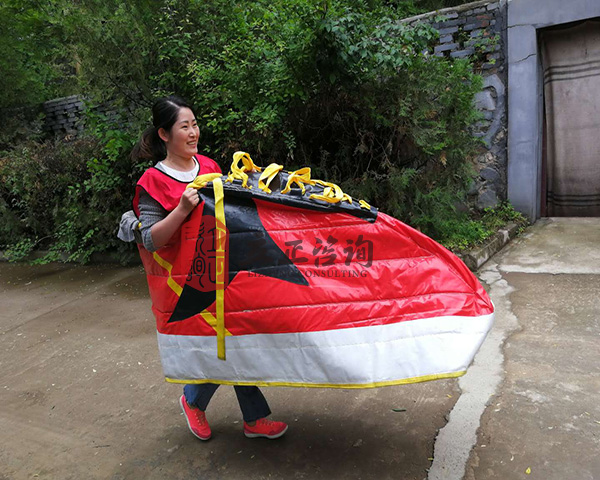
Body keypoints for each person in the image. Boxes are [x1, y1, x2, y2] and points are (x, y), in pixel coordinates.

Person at [126, 95, 288, 441]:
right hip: (187, 284)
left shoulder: (211, 166)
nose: (193, 132)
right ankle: (199, 402)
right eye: (184, 126)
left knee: (235, 341)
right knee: (221, 345)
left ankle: (243, 415)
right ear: (164, 134)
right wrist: (182, 209)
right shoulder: (152, 181)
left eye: (195, 124)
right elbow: (152, 239)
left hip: (226, 272)